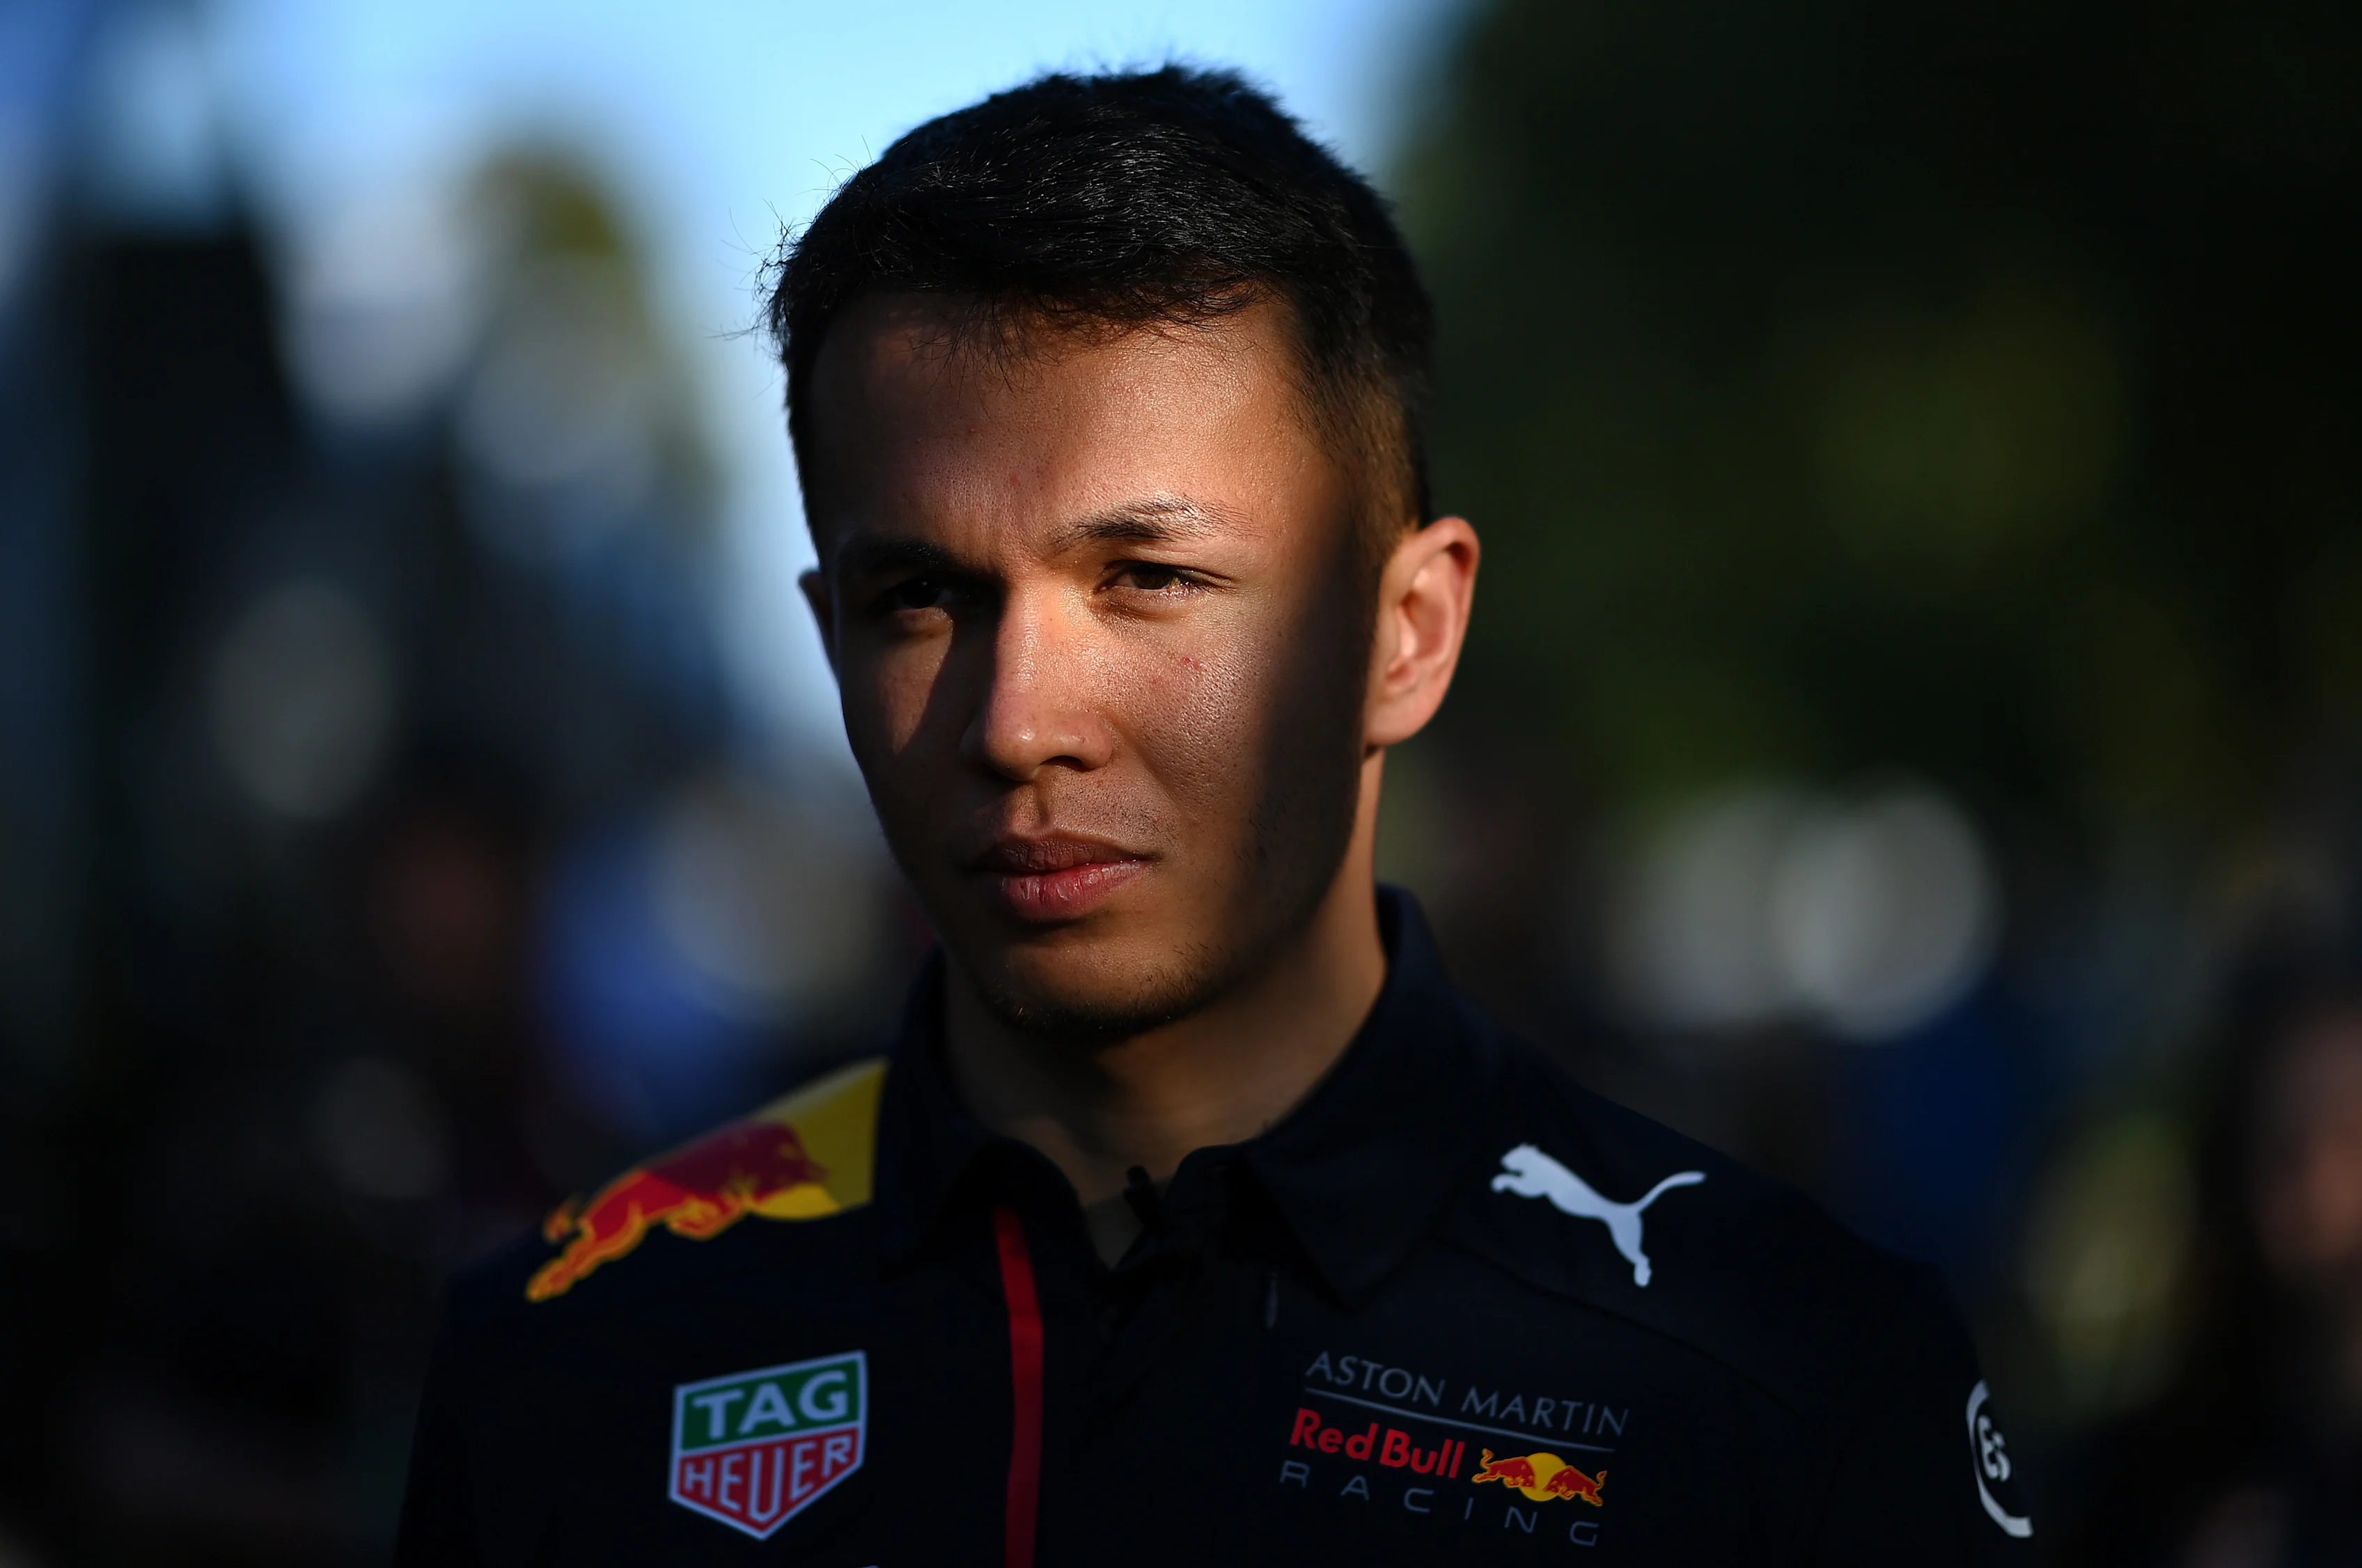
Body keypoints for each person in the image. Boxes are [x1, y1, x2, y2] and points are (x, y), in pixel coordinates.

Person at [396, 65, 2033, 1565]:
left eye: (1150, 580)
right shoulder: (579, 1346)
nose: (1020, 720)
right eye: (921, 597)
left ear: (1407, 634)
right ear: (827, 638)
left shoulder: (1779, 1376)